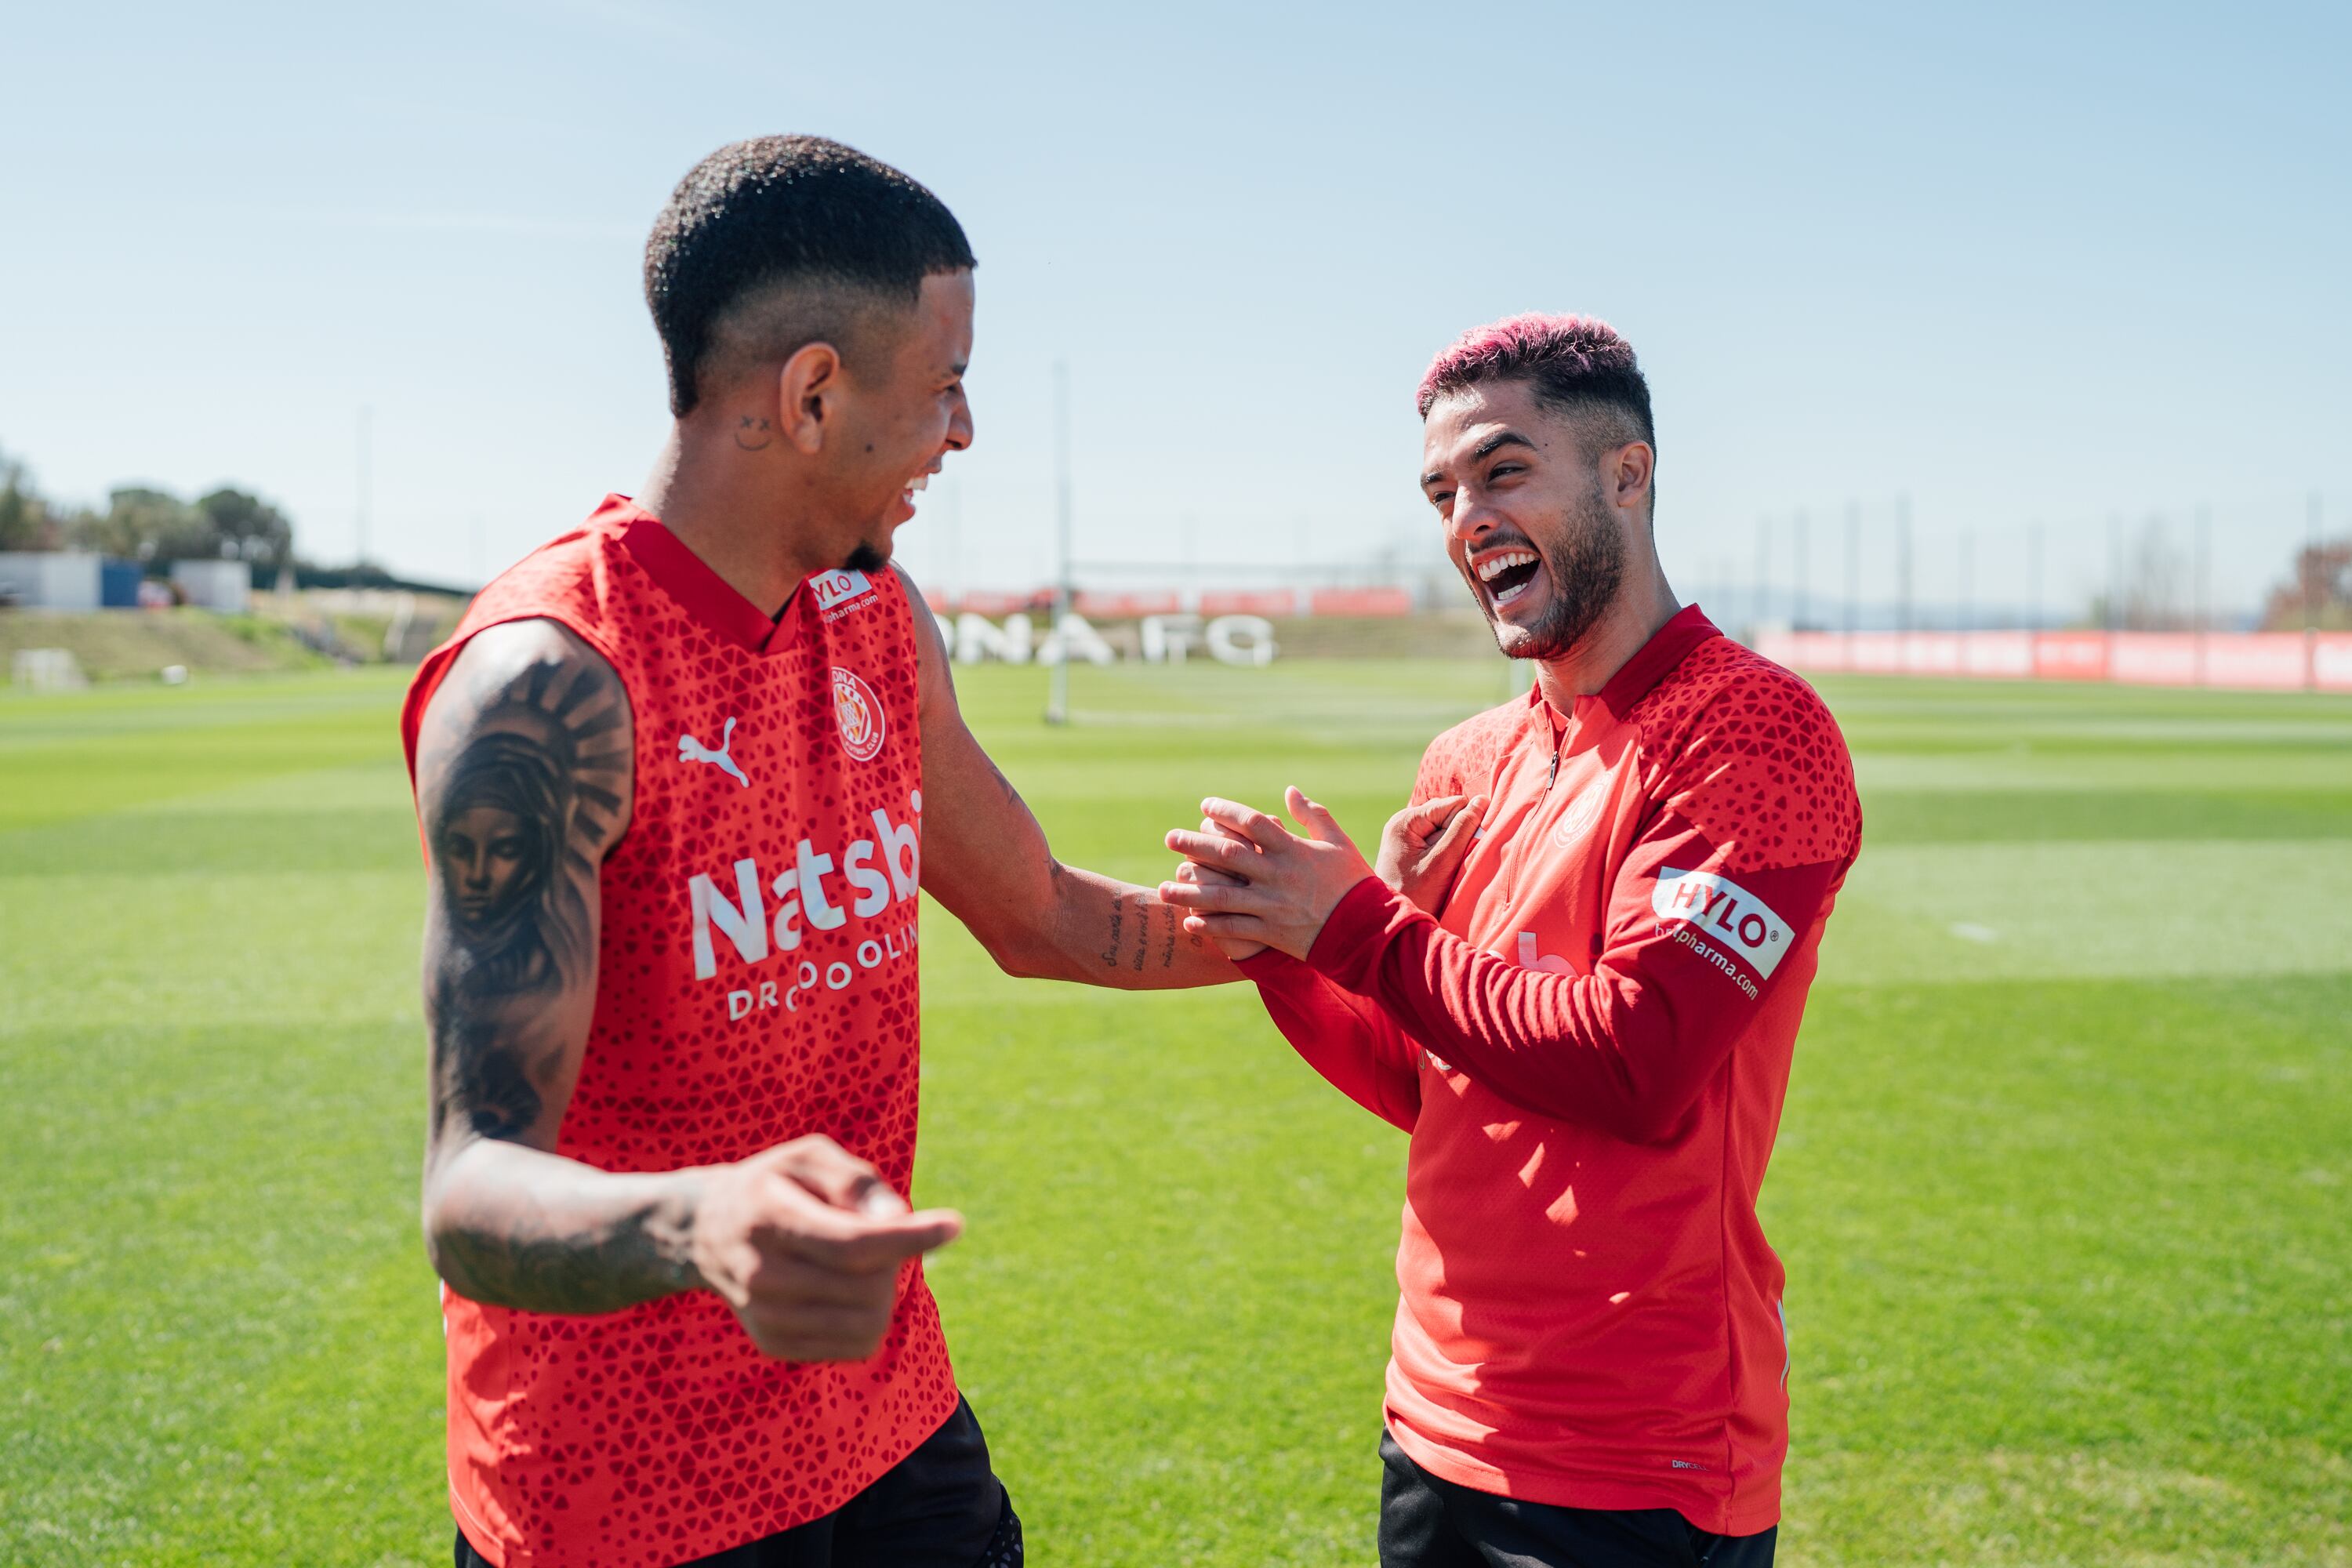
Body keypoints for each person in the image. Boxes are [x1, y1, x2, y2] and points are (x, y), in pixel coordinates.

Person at [400, 135, 1234, 1568]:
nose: (963, 434)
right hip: (623, 1503)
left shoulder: (877, 622)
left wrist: (1334, 922)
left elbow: (1037, 914)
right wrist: (703, 1223)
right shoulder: (548, 686)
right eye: (945, 387)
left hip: (888, 1433)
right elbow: (472, 1191)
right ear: (810, 392)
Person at [1161, 314, 1862, 1567]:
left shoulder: (1752, 733)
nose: (1464, 518)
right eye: (1441, 491)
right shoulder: (1469, 760)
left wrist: (1364, 928)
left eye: (1502, 472)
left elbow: (1638, 1060)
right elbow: (1424, 1082)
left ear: (1626, 475)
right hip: (1435, 1417)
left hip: (1636, 1458)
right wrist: (1291, 943)